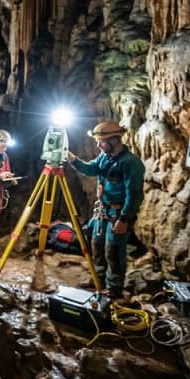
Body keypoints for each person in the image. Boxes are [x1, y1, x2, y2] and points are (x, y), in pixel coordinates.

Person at [67, 120, 145, 298]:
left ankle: (114, 288)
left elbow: (134, 195)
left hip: (118, 213)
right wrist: (72, 159)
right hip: (103, 211)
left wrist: (124, 219)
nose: (98, 145)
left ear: (114, 140)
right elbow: (90, 169)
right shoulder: (104, 157)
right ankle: (98, 280)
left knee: (113, 251)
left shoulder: (130, 163)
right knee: (97, 245)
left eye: (101, 142)